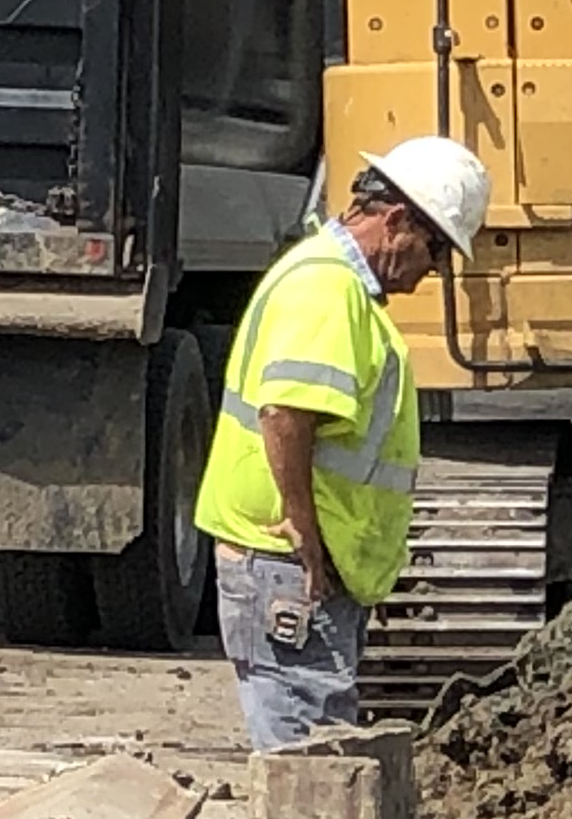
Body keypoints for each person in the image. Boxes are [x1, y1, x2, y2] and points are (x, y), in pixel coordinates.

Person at [194, 136, 489, 750]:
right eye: (434, 247)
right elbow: (286, 413)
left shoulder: (336, 288)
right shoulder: (327, 290)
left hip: (299, 567)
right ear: (396, 219)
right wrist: (302, 526)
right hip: (286, 566)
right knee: (310, 763)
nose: (433, 269)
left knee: (319, 749)